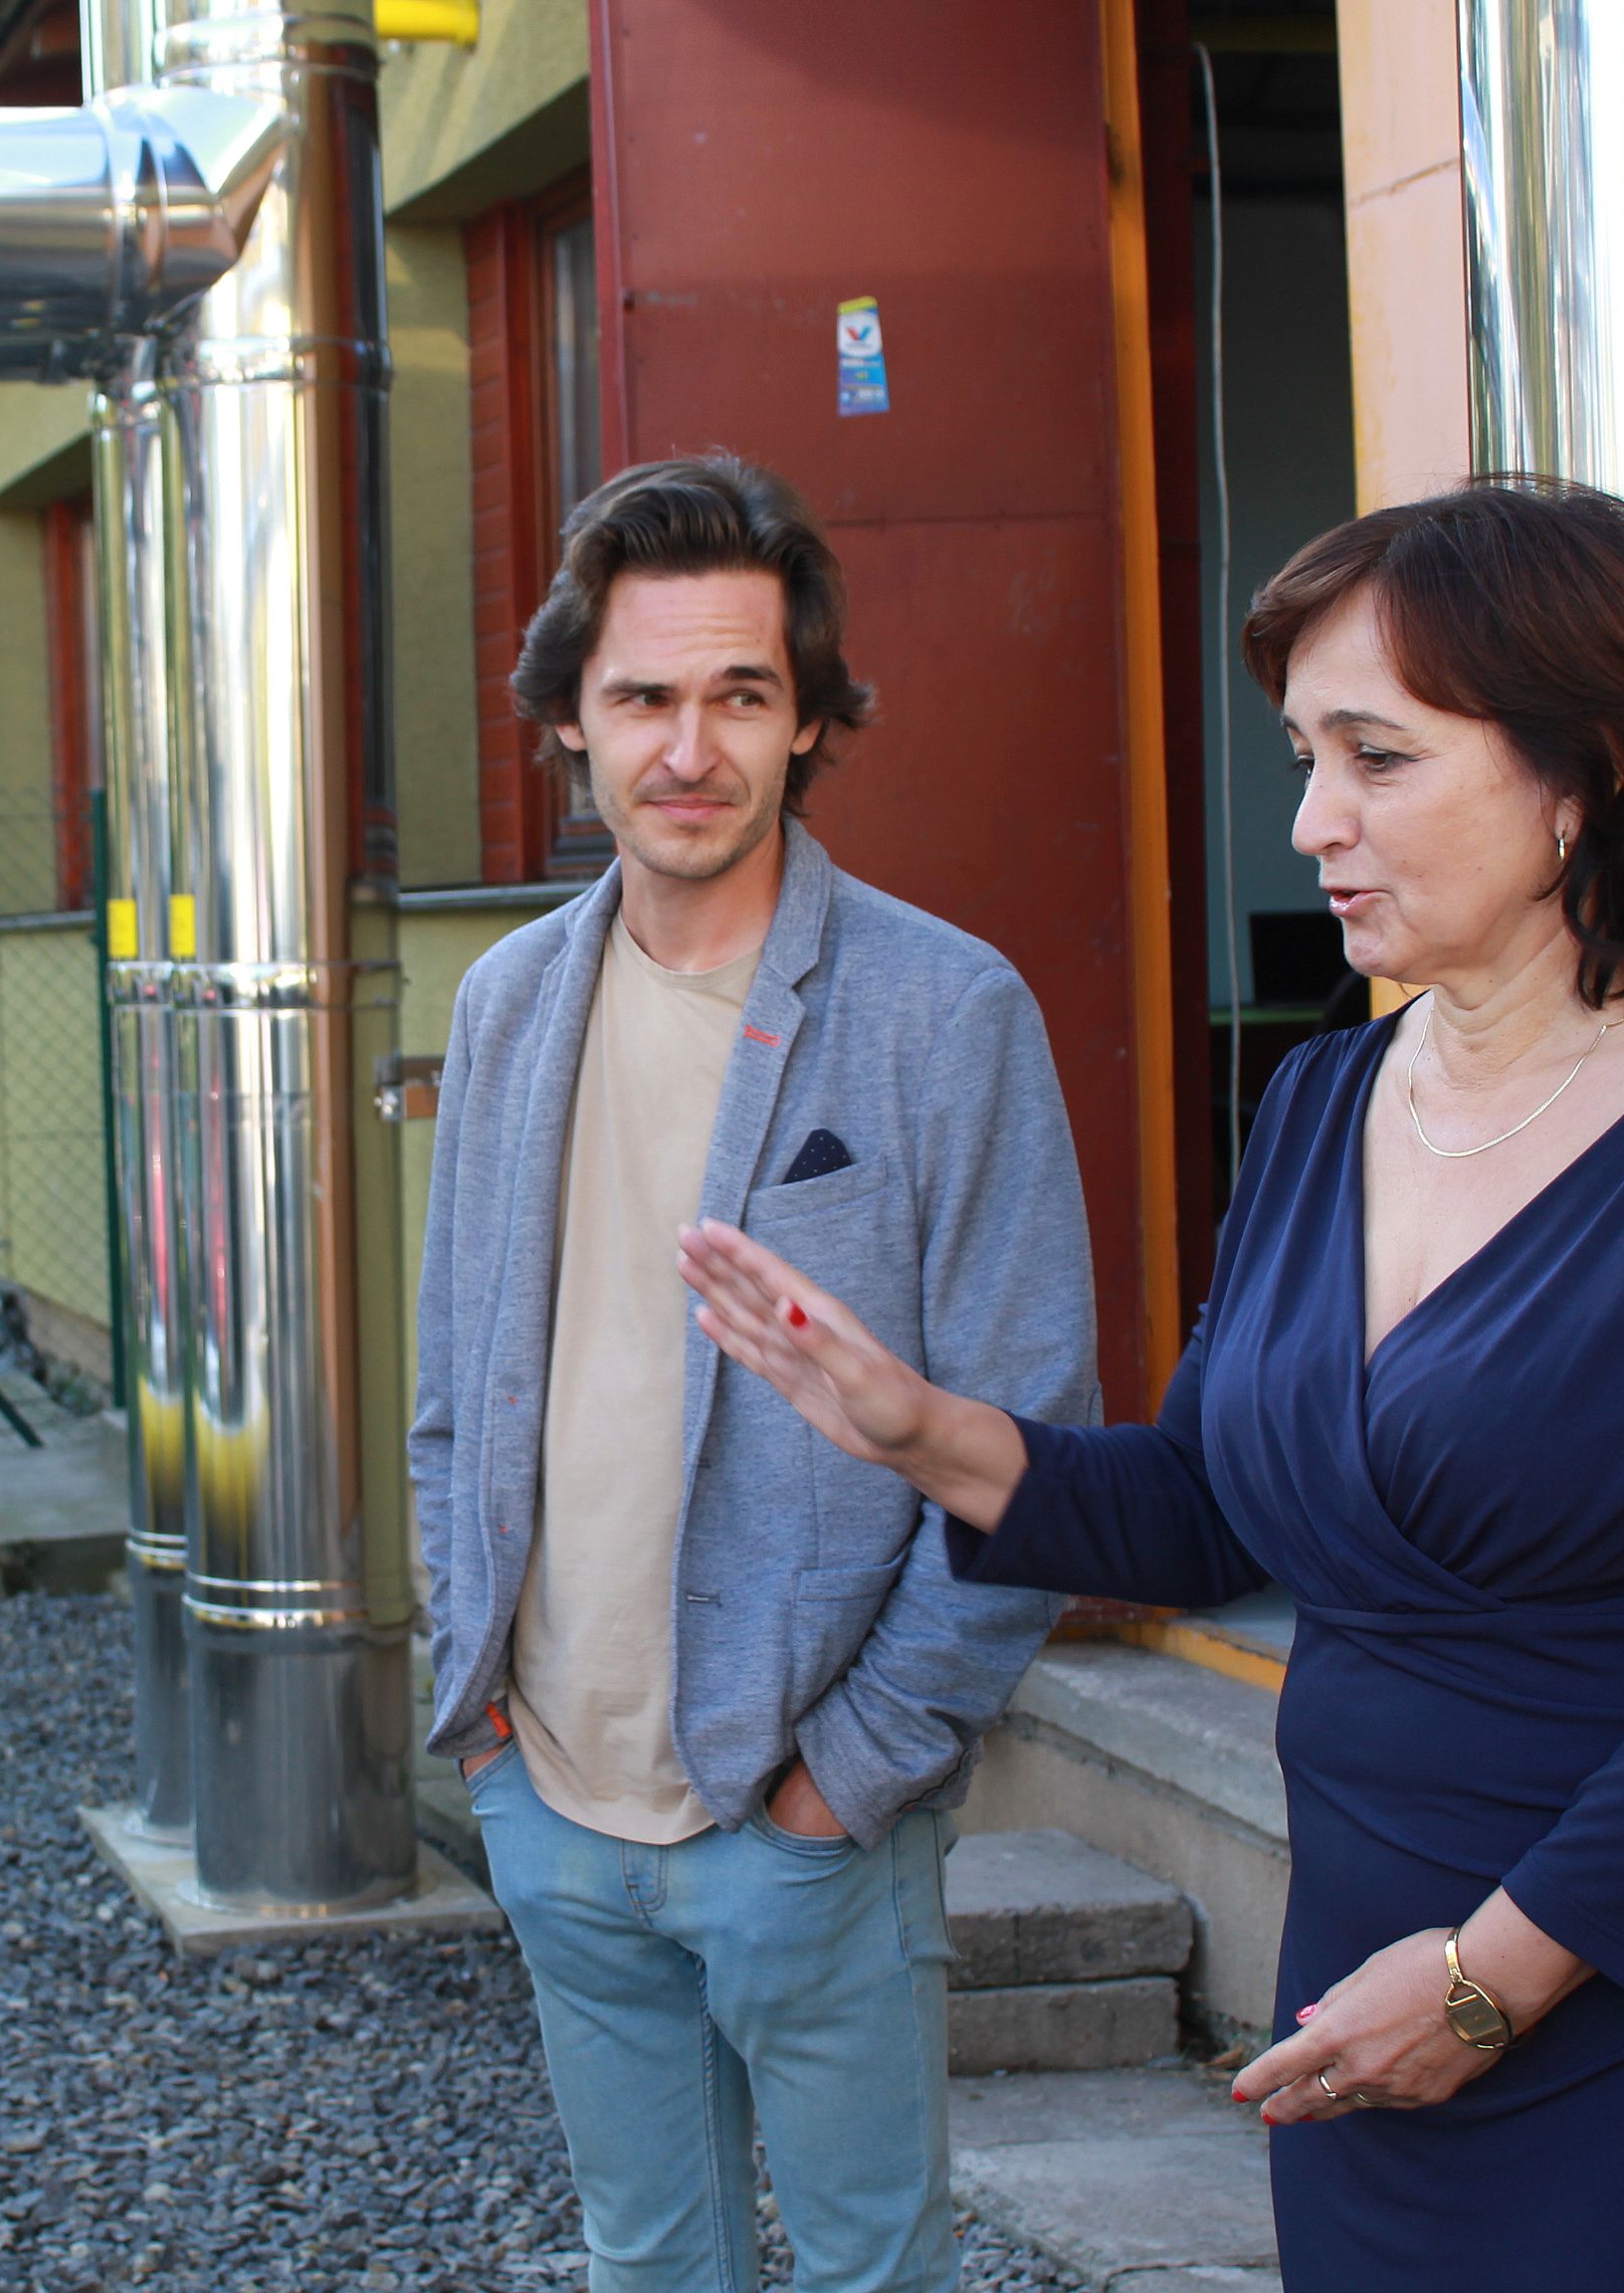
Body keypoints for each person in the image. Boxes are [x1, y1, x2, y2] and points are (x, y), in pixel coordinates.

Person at [677, 477, 1624, 2290]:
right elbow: (1212, 1509)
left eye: (1378, 758)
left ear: (1584, 775)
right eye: (1305, 757)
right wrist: (919, 1428)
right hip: (1366, 2024)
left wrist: (1491, 1980)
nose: (1313, 820)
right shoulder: (1326, 1097)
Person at [413, 453, 1097, 2293]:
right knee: (647, 2262)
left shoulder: (946, 1013)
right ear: (572, 719)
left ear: (808, 722)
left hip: (806, 1819)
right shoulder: (507, 1004)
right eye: (643, 697)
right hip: (552, 1796)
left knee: (877, 2272)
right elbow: (456, 1390)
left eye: (741, 695)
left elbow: (1033, 1450)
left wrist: (848, 1779)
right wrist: (483, 1719)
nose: (689, 748)